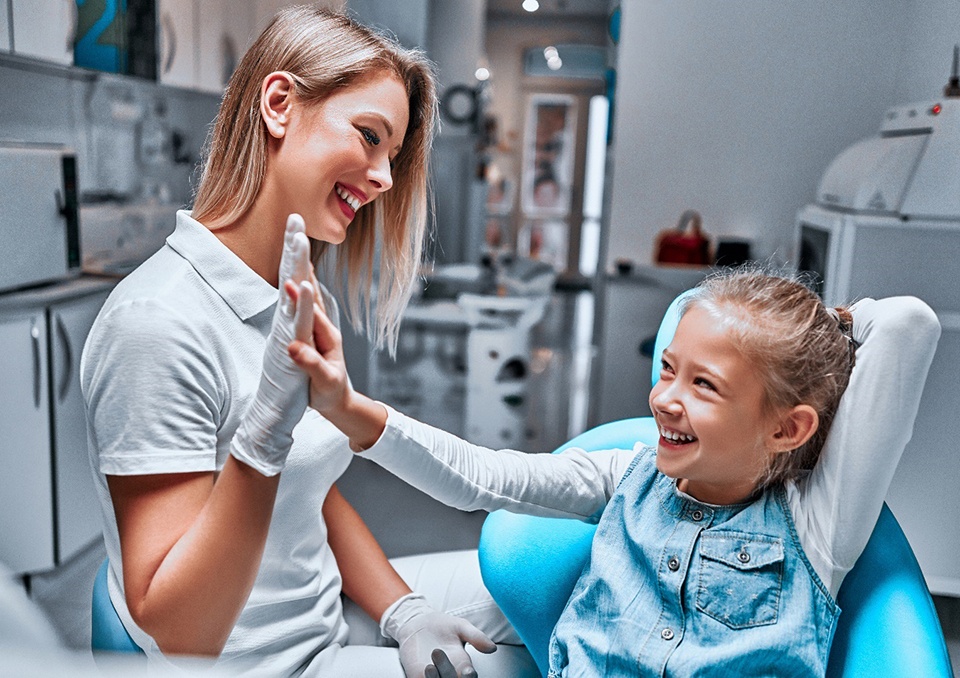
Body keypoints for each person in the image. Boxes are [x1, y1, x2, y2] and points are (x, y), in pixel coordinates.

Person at [81, 7, 523, 678]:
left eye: (393, 156)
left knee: (570, 592)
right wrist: (260, 440)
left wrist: (403, 611)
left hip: (329, 620)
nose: (384, 178)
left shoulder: (285, 290)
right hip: (264, 666)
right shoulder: (157, 323)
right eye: (369, 137)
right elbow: (180, 635)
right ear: (280, 104)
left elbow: (307, 490)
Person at [287, 268, 940, 676]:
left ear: (786, 428)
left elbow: (911, 323)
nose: (664, 398)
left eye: (704, 384)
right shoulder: (626, 477)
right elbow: (485, 477)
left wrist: (824, 326)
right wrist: (353, 414)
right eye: (667, 369)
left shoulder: (815, 526)